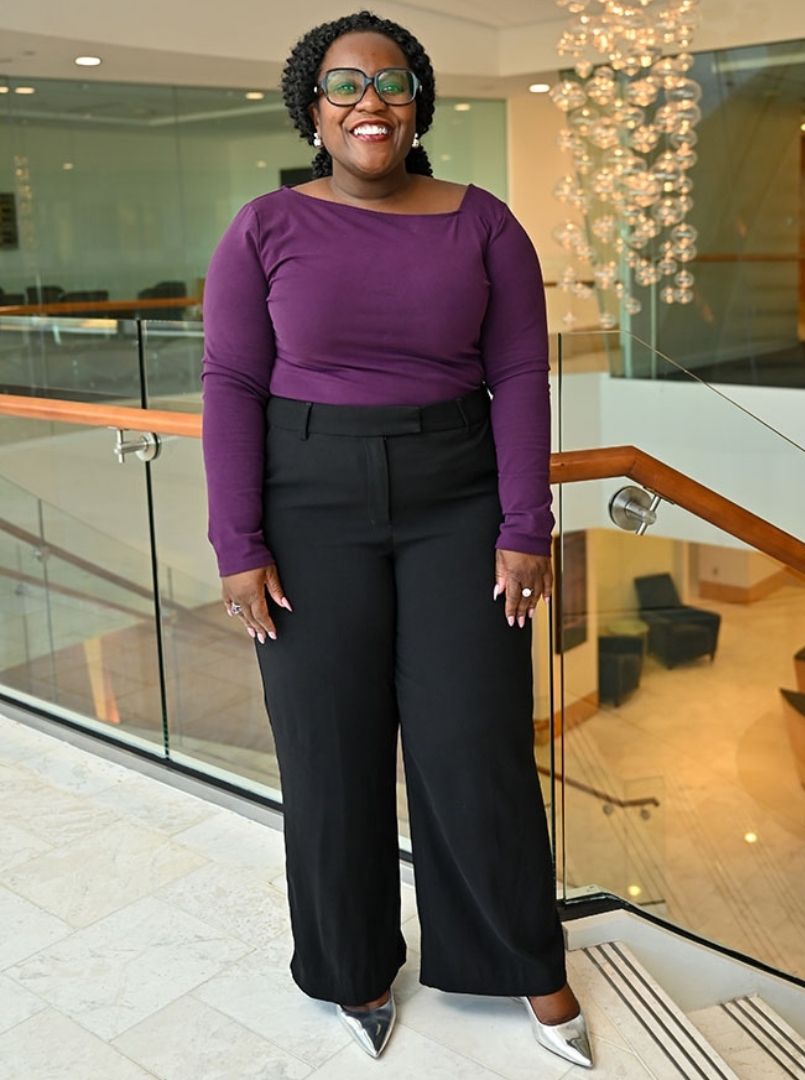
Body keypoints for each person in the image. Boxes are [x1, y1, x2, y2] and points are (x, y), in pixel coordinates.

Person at [199, 8, 593, 1070]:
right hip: (307, 500)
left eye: (392, 78)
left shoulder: (485, 225)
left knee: (475, 744)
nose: (369, 97)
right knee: (329, 748)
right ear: (313, 111)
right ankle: (351, 963)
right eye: (343, 83)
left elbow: (518, 374)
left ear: (420, 104)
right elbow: (231, 383)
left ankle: (519, 954)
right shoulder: (262, 227)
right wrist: (236, 541)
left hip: (457, 501)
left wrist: (526, 523)